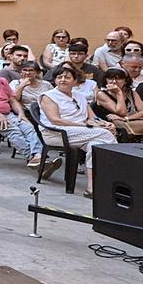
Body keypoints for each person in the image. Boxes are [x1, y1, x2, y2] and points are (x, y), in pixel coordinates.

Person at [0, 59, 56, 172]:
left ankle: (38, 157)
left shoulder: (2, 81)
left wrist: (21, 114)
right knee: (13, 130)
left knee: (28, 127)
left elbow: (12, 100)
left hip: (7, 114)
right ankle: (34, 159)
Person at [37, 65, 117, 197]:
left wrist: (105, 123)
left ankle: (91, 188)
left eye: (67, 77)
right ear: (55, 80)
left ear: (75, 81)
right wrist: (85, 125)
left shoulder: (79, 96)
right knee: (105, 135)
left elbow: (93, 117)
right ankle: (116, 175)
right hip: (56, 133)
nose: (63, 80)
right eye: (59, 77)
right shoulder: (48, 96)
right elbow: (55, 120)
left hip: (82, 134)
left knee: (96, 145)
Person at [95, 67, 143, 146]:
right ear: (106, 80)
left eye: (118, 79)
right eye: (110, 78)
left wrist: (127, 118)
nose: (114, 82)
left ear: (125, 81)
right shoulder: (101, 94)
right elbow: (121, 112)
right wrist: (119, 93)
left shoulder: (131, 92)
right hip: (115, 127)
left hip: (135, 124)